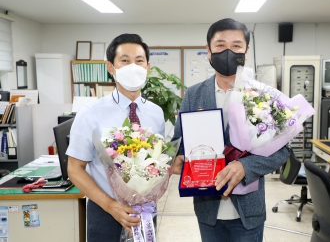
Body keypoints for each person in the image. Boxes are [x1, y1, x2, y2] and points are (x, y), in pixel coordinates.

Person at [171, 18, 290, 242]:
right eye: (220, 45)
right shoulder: (193, 94)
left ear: (246, 50)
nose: (228, 52)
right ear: (208, 51)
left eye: (236, 46)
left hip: (248, 211)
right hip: (208, 209)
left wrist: (246, 166)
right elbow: (181, 141)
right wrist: (177, 157)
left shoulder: (263, 95)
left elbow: (283, 150)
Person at [67, 33, 167, 242]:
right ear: (111, 68)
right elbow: (74, 168)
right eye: (125, 60)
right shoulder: (90, 113)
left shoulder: (157, 113)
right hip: (105, 211)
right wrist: (111, 206)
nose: (133, 66)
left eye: (139, 61)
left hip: (145, 214)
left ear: (147, 67)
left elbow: (156, 162)